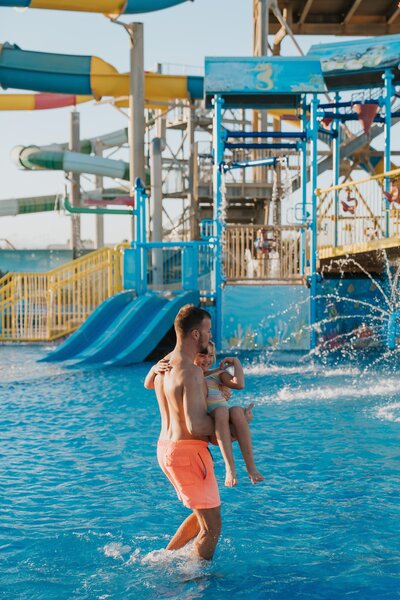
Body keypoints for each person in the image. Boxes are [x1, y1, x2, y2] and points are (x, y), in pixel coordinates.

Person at [144, 304, 253, 561]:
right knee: (212, 526)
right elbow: (196, 426)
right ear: (195, 334)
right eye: (208, 331)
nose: (210, 336)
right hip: (189, 453)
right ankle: (195, 578)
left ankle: (164, 559)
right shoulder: (192, 371)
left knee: (202, 512)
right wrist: (237, 426)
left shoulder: (164, 364)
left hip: (166, 448)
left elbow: (150, 386)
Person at [195, 342, 264, 487]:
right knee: (222, 411)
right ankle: (230, 468)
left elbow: (239, 384)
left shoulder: (217, 374)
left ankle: (251, 467)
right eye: (202, 355)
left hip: (225, 420)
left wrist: (236, 362)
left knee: (237, 411)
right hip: (213, 426)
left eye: (211, 355)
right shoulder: (189, 377)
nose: (207, 359)